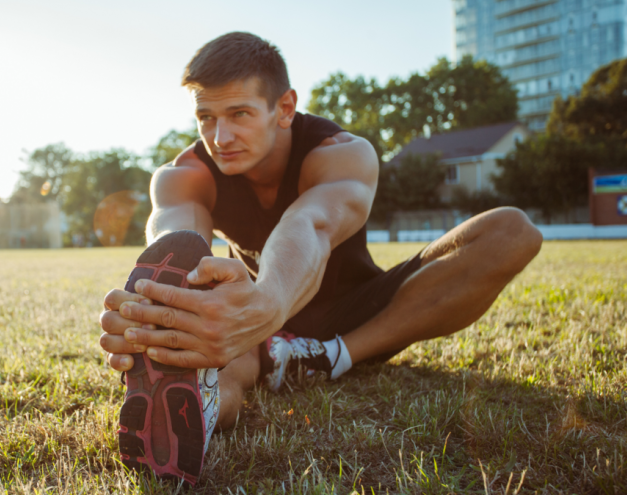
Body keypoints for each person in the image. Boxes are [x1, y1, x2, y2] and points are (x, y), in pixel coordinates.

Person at [98, 32, 543, 484]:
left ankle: (332, 357)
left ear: (285, 108)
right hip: (250, 328)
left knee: (511, 231)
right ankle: (202, 409)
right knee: (213, 360)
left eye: (239, 114)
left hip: (354, 313)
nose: (220, 136)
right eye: (205, 118)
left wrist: (269, 301)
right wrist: (160, 310)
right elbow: (180, 240)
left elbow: (311, 224)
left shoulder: (341, 153)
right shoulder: (183, 175)